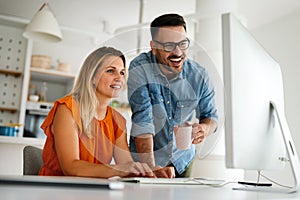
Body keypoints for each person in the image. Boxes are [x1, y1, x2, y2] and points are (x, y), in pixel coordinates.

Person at [39, 46, 154, 178]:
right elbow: (71, 167)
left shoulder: (117, 120)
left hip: (92, 191)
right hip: (55, 190)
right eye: (111, 71)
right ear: (92, 77)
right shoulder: (67, 109)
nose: (119, 78)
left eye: (122, 72)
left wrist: (150, 172)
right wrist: (118, 170)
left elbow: (127, 165)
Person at [127, 13, 218, 178]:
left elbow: (211, 116)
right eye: (169, 45)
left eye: (182, 44)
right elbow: (143, 122)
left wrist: (204, 128)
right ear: (153, 47)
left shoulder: (199, 76)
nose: (178, 52)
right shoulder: (140, 68)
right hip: (146, 158)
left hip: (182, 160)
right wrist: (151, 169)